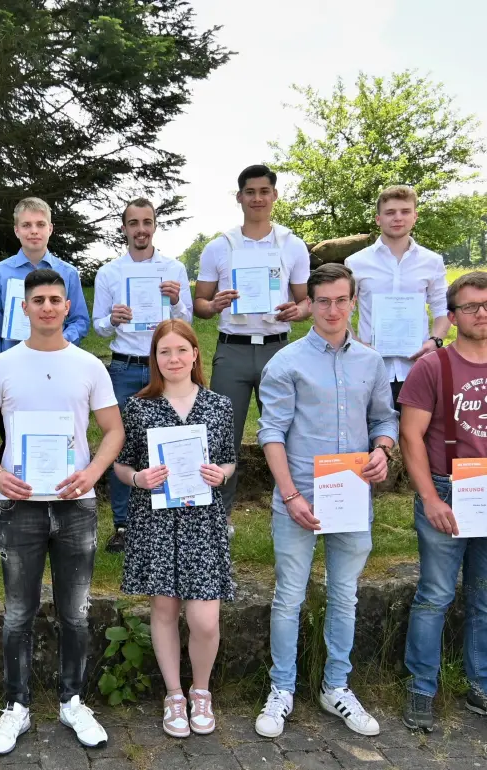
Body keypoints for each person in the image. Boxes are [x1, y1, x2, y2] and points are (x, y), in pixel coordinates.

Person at [0, 268, 123, 755]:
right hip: (19, 505)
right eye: (39, 299)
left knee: (75, 613)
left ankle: (72, 701)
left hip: (76, 504)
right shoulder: (3, 365)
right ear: (25, 308)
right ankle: (16, 707)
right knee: (18, 613)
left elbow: (113, 431)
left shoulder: (89, 366)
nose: (49, 307)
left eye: (57, 299)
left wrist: (93, 472)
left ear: (66, 306)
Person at [397, 272, 487, 736]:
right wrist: (428, 497)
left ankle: (484, 687)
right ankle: (422, 686)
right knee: (435, 595)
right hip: (446, 488)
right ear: (453, 315)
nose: (481, 313)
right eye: (469, 307)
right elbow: (411, 436)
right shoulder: (432, 367)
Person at [254, 264, 396, 739]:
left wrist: (382, 450)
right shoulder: (286, 363)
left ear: (353, 301)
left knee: (344, 596)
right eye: (323, 301)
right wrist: (290, 494)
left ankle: (336, 687)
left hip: (351, 500)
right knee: (289, 597)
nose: (333, 310)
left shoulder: (371, 362)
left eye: (341, 300)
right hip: (300, 499)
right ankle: (281, 689)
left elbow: (384, 419)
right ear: (309, 305)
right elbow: (271, 434)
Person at [111, 320, 235, 737]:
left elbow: (229, 457)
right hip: (157, 521)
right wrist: (137, 479)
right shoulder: (139, 407)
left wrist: (222, 473)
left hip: (203, 522)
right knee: (163, 610)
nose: (174, 359)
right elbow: (121, 462)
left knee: (204, 620)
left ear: (195, 354)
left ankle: (202, 690)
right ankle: (174, 695)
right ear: (155, 358)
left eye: (182, 350)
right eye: (165, 352)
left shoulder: (219, 405)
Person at [192, 164, 311, 522]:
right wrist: (212, 306)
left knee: (289, 429)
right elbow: (200, 305)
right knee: (224, 432)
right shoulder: (219, 246)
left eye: (264, 191)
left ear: (274, 195)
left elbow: (306, 302)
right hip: (234, 348)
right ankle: (221, 516)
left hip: (278, 348)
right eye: (250, 192)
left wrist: (297, 311)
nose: (257, 198)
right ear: (239, 197)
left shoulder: (293, 244)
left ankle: (293, 505)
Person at [0, 197, 90, 557]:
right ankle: (2, 527)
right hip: (13, 377)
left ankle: (60, 522)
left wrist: (55, 345)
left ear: (50, 229)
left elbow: (80, 321)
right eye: (26, 225)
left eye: (40, 225)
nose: (33, 231)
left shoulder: (67, 273)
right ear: (17, 230)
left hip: (57, 369)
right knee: (8, 445)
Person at [93, 198, 192, 554]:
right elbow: (99, 328)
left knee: (171, 440)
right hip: (123, 367)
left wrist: (177, 301)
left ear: (155, 226)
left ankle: (173, 517)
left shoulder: (174, 268)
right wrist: (113, 320)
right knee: (120, 445)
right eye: (133, 223)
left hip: (163, 368)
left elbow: (187, 323)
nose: (140, 229)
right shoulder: (110, 273)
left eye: (146, 222)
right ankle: (123, 524)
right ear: (123, 229)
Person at [347, 185, 450, 403]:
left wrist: (435, 342)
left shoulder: (432, 262)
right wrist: (355, 343)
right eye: (390, 212)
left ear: (415, 216)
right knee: (369, 435)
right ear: (378, 219)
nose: (397, 218)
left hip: (418, 367)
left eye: (405, 211)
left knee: (416, 435)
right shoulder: (356, 263)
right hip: (369, 369)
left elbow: (442, 308)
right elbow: (343, 311)